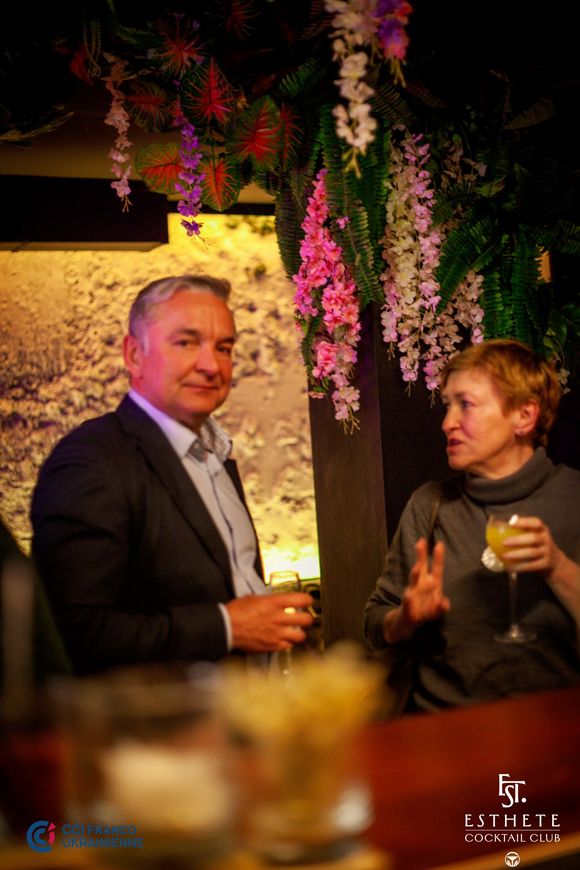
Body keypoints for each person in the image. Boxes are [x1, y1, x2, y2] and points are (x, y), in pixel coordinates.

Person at [31, 274, 313, 674]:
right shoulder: (92, 461)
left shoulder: (214, 455)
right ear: (134, 355)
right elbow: (73, 632)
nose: (211, 365)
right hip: (156, 714)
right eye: (186, 343)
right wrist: (225, 628)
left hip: (246, 705)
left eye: (224, 348)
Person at [364, 339, 580, 713]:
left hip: (554, 730)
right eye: (447, 405)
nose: (447, 423)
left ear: (524, 415)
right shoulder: (430, 505)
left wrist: (559, 569)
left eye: (465, 404)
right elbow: (373, 623)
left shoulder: (574, 497)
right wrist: (404, 619)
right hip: (443, 729)